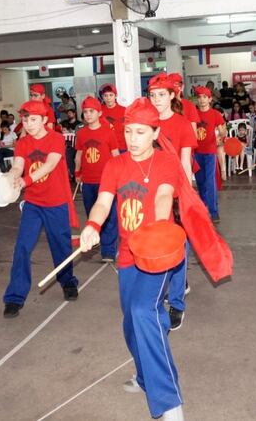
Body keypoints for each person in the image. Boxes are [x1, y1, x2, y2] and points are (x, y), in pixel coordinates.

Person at [79, 98, 186, 421]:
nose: (132, 139)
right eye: (128, 132)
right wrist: (92, 225)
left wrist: (157, 232)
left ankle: (169, 402)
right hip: (128, 257)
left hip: (158, 253)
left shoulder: (167, 162)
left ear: (155, 133)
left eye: (140, 132)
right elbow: (103, 202)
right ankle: (144, 376)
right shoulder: (115, 166)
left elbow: (165, 196)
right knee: (131, 325)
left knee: (144, 311)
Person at [2, 100, 79, 318]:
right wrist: (10, 178)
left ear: (45, 120)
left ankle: (68, 282)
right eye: (25, 119)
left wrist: (25, 181)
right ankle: (15, 297)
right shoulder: (23, 143)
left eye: (33, 119)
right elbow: (17, 165)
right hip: (33, 204)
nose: (28, 123)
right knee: (22, 248)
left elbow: (50, 165)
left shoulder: (55, 139)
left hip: (56, 202)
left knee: (61, 246)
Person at [148, 74, 197, 331]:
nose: (156, 100)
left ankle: (176, 303)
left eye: (161, 95)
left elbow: (186, 162)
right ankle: (156, 294)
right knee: (153, 244)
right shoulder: (145, 123)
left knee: (177, 246)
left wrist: (187, 194)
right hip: (148, 192)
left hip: (176, 192)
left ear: (172, 96)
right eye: (152, 95)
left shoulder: (182, 125)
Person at [74, 96, 120, 261]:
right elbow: (79, 155)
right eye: (85, 112)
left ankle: (108, 250)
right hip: (88, 181)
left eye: (91, 111)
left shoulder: (108, 132)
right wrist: (77, 172)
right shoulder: (81, 134)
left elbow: (116, 155)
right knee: (92, 212)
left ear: (99, 113)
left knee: (109, 215)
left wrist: (119, 175)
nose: (88, 115)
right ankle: (95, 236)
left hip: (106, 182)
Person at [193, 86, 226, 221]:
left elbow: (223, 130)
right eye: (199, 97)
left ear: (210, 99)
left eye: (204, 97)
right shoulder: (194, 114)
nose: (202, 100)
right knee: (200, 182)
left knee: (210, 181)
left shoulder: (215, 114)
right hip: (196, 152)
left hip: (210, 152)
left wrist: (220, 135)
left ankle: (213, 212)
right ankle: (203, 208)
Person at [100, 84, 127, 152]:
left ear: (116, 96)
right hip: (106, 147)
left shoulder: (124, 110)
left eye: (111, 95)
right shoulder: (99, 111)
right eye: (105, 95)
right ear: (102, 97)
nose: (108, 98)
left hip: (122, 147)